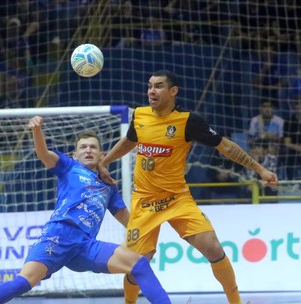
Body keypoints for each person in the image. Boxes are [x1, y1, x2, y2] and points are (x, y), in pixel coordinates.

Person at [98, 70, 278, 304]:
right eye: (150, 86)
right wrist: (105, 161)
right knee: (136, 263)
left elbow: (225, 147)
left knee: (212, 247)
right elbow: (129, 141)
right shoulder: (140, 116)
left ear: (173, 91)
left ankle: (236, 302)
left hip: (177, 198)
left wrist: (260, 169)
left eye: (159, 86)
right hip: (144, 201)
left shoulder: (189, 121)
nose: (152, 91)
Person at [0, 116, 171, 304]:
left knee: (139, 264)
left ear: (102, 155)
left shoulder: (108, 187)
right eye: (83, 147)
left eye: (93, 147)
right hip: (58, 236)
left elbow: (126, 219)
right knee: (23, 282)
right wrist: (37, 131)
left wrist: (147, 232)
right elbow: (45, 155)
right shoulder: (69, 167)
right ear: (74, 155)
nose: (88, 150)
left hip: (85, 246)